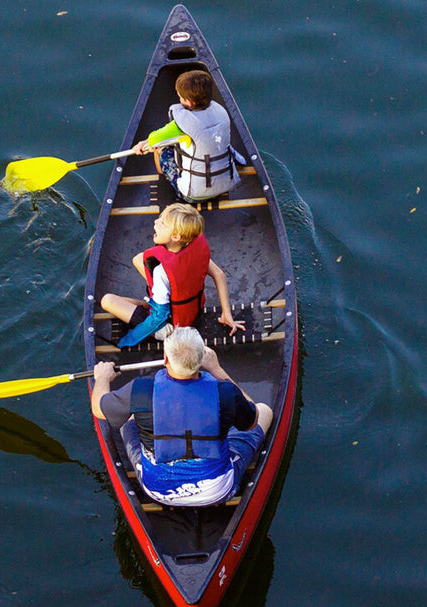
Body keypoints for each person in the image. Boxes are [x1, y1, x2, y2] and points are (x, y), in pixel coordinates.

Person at [89, 327, 273, 508]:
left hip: (159, 492)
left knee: (127, 416)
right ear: (201, 359)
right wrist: (217, 369)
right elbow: (253, 421)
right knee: (264, 410)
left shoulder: (140, 391)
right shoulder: (225, 393)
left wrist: (103, 378)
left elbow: (98, 409)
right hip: (216, 490)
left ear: (166, 359)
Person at [100, 203, 244, 347]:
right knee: (139, 259)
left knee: (107, 301)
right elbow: (219, 274)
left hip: (171, 327)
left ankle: (149, 307)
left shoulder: (160, 270)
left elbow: (159, 316)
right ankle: (149, 304)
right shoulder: (192, 242)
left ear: (175, 236)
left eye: (162, 223)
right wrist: (226, 313)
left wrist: (129, 339)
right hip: (193, 310)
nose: (156, 222)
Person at [133, 70, 243, 202]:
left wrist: (140, 146)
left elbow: (152, 141)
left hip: (193, 195)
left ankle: (164, 181)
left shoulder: (179, 125)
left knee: (161, 150)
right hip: (226, 185)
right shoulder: (221, 111)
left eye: (180, 97)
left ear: (189, 102)